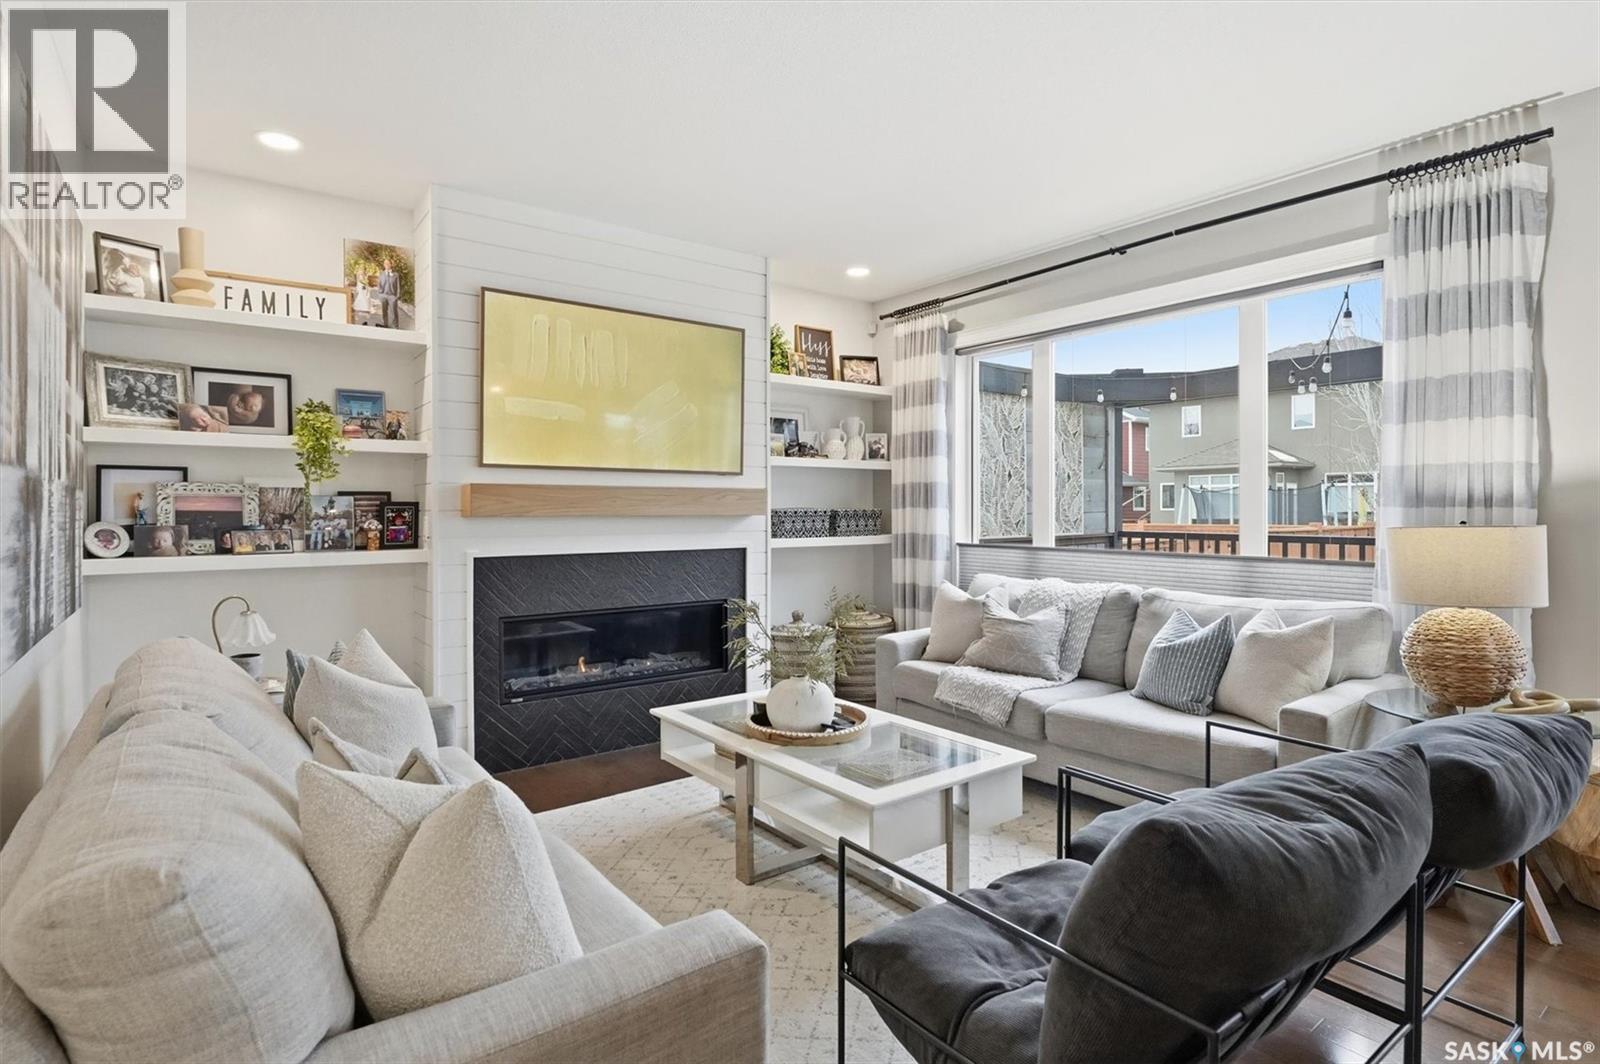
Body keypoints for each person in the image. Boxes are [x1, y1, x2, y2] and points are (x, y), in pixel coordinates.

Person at [377, 257, 401, 328]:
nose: (386, 264)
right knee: (384, 312)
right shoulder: (381, 274)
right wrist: (380, 294)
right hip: (383, 295)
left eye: (388, 263)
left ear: (391, 264)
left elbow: (398, 285)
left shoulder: (396, 275)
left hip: (392, 296)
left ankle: (395, 326)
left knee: (394, 312)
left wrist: (397, 296)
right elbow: (379, 284)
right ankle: (385, 324)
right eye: (385, 263)